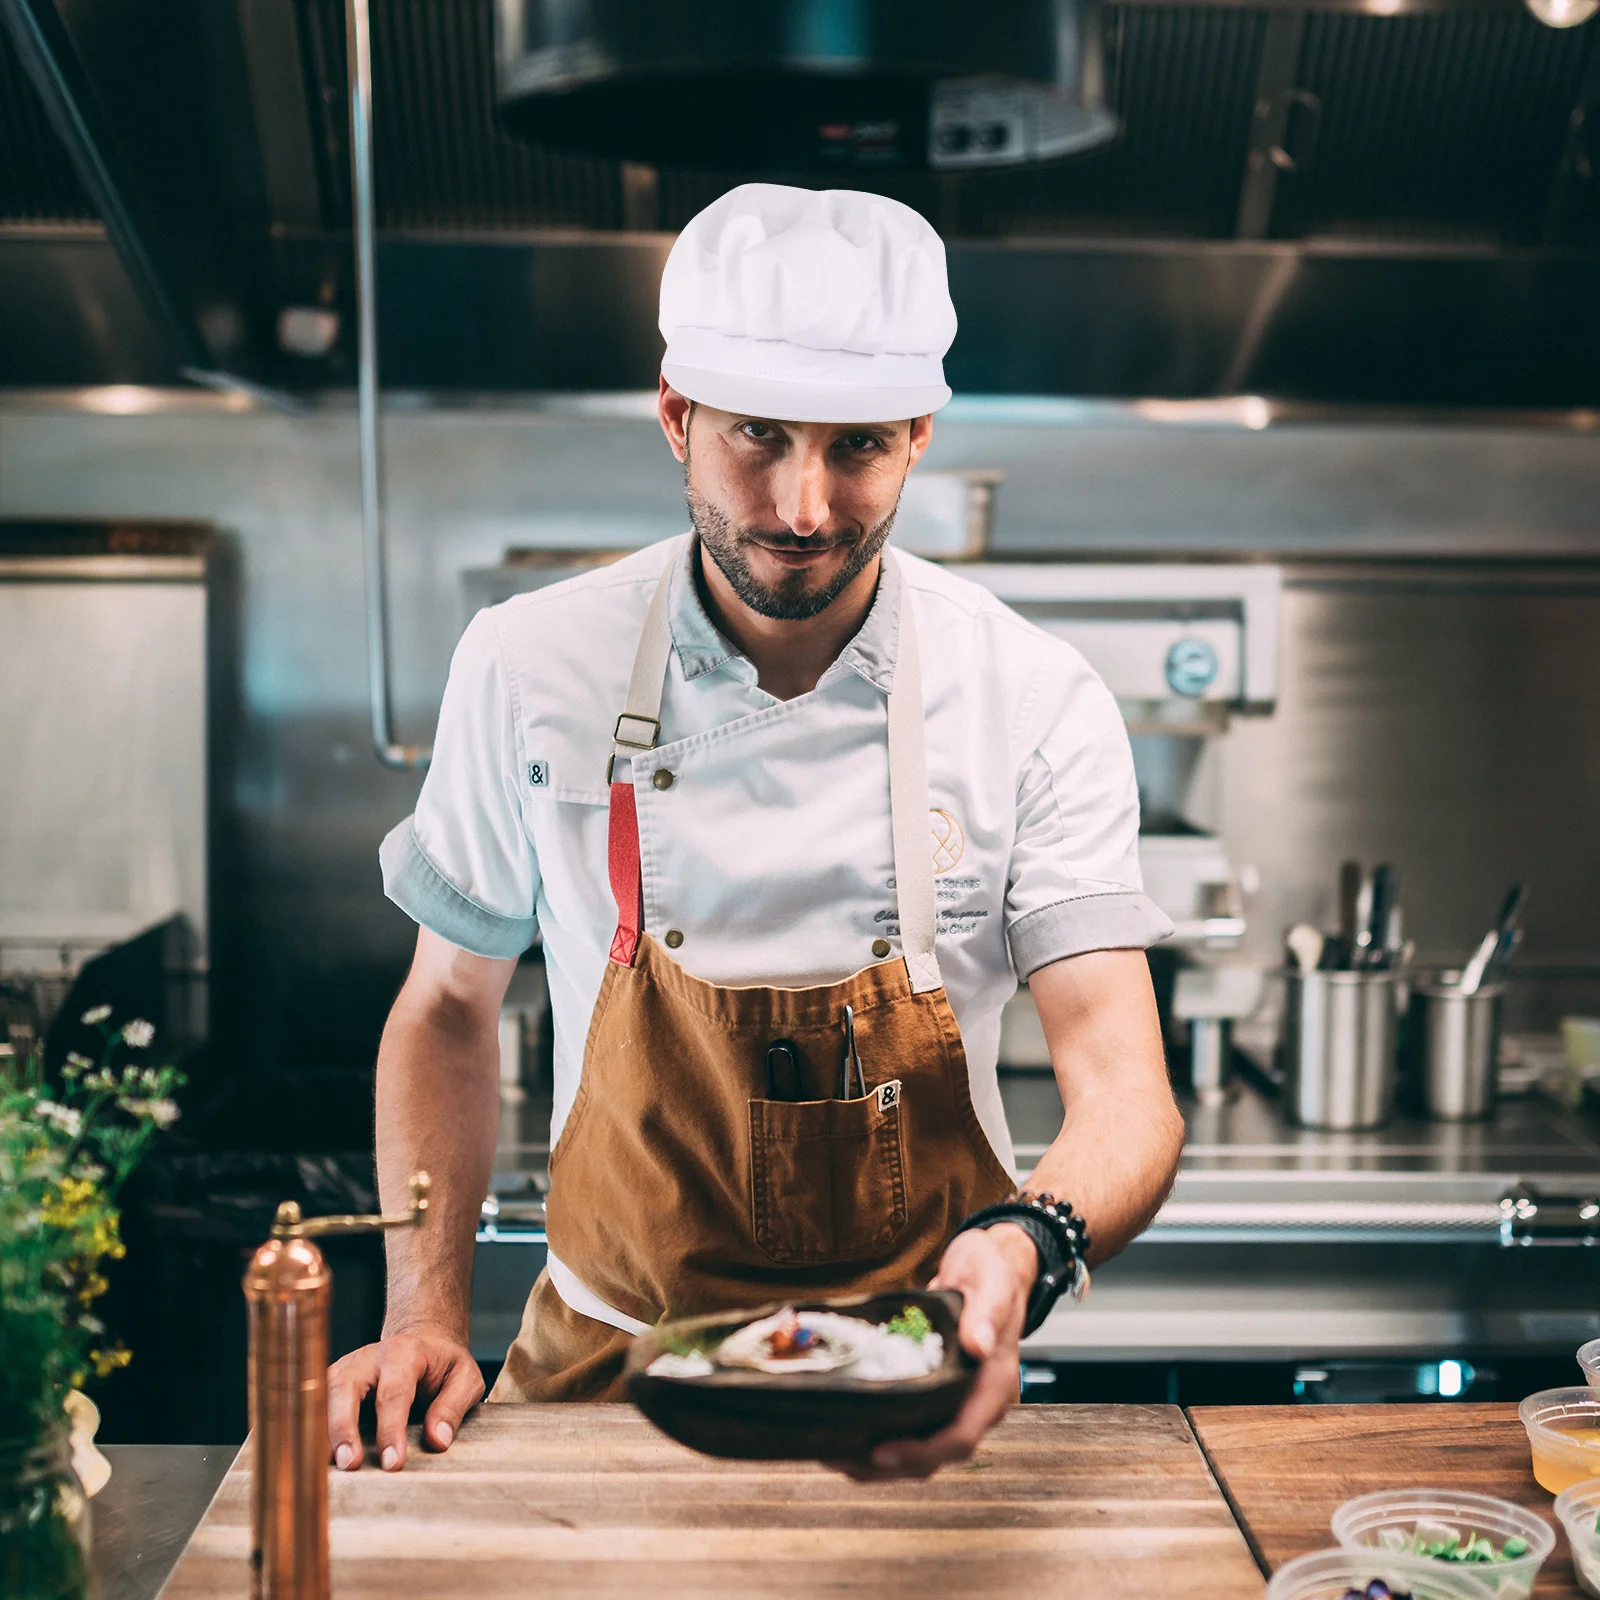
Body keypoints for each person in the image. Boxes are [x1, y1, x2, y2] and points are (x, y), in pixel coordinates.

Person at [328, 182, 1183, 1481]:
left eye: (857, 449)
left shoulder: (1031, 696)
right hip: (601, 1386)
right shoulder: (526, 665)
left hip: (919, 1383)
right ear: (675, 418)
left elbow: (1125, 1089)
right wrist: (422, 1314)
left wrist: (1024, 1251)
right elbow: (448, 1008)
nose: (801, 507)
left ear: (919, 438)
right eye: (758, 437)